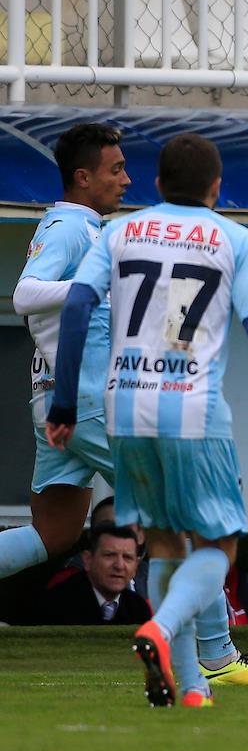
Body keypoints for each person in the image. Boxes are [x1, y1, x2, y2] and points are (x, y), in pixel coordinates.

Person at [46, 133, 248, 708]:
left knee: (166, 544)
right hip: (194, 409)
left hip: (124, 405)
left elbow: (74, 307)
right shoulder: (236, 238)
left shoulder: (118, 231)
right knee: (219, 544)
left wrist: (63, 405)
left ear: (160, 184)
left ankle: (193, 686)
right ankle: (161, 629)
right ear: (217, 188)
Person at [1, 124, 127, 582]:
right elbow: (24, 295)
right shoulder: (69, 226)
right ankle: (217, 654)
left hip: (59, 403)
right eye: (115, 169)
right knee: (180, 511)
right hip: (86, 405)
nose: (125, 180)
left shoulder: (89, 230)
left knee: (53, 533)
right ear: (83, 177)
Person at [32, 524, 151, 625]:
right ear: (88, 560)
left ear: (136, 566)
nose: (119, 565)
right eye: (109, 555)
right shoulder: (55, 605)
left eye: (127, 558)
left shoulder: (139, 609)